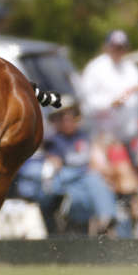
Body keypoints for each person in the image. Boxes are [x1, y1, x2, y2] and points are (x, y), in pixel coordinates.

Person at [40, 98, 117, 235]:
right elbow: (53, 163)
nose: (67, 120)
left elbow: (95, 159)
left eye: (71, 116)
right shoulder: (53, 141)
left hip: (86, 178)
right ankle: (104, 217)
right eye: (62, 117)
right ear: (56, 121)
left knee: (95, 182)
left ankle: (106, 220)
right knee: (87, 186)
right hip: (68, 179)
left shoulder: (84, 136)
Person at [79, 30, 138, 143]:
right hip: (103, 133)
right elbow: (86, 100)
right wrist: (111, 103)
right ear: (106, 47)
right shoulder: (95, 68)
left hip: (128, 132)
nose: (118, 50)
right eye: (115, 47)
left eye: (122, 47)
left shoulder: (130, 67)